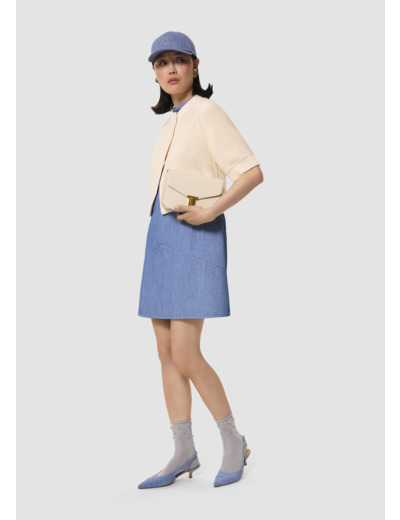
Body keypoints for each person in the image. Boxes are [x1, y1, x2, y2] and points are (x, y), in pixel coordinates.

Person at [137, 31, 264, 489]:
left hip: (194, 235)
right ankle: (183, 450)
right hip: (160, 237)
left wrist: (211, 211)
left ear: (195, 66)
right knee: (166, 352)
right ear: (154, 73)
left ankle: (232, 439)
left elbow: (251, 172)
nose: (170, 69)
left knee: (186, 353)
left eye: (179, 60)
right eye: (161, 62)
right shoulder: (167, 123)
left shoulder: (207, 111)